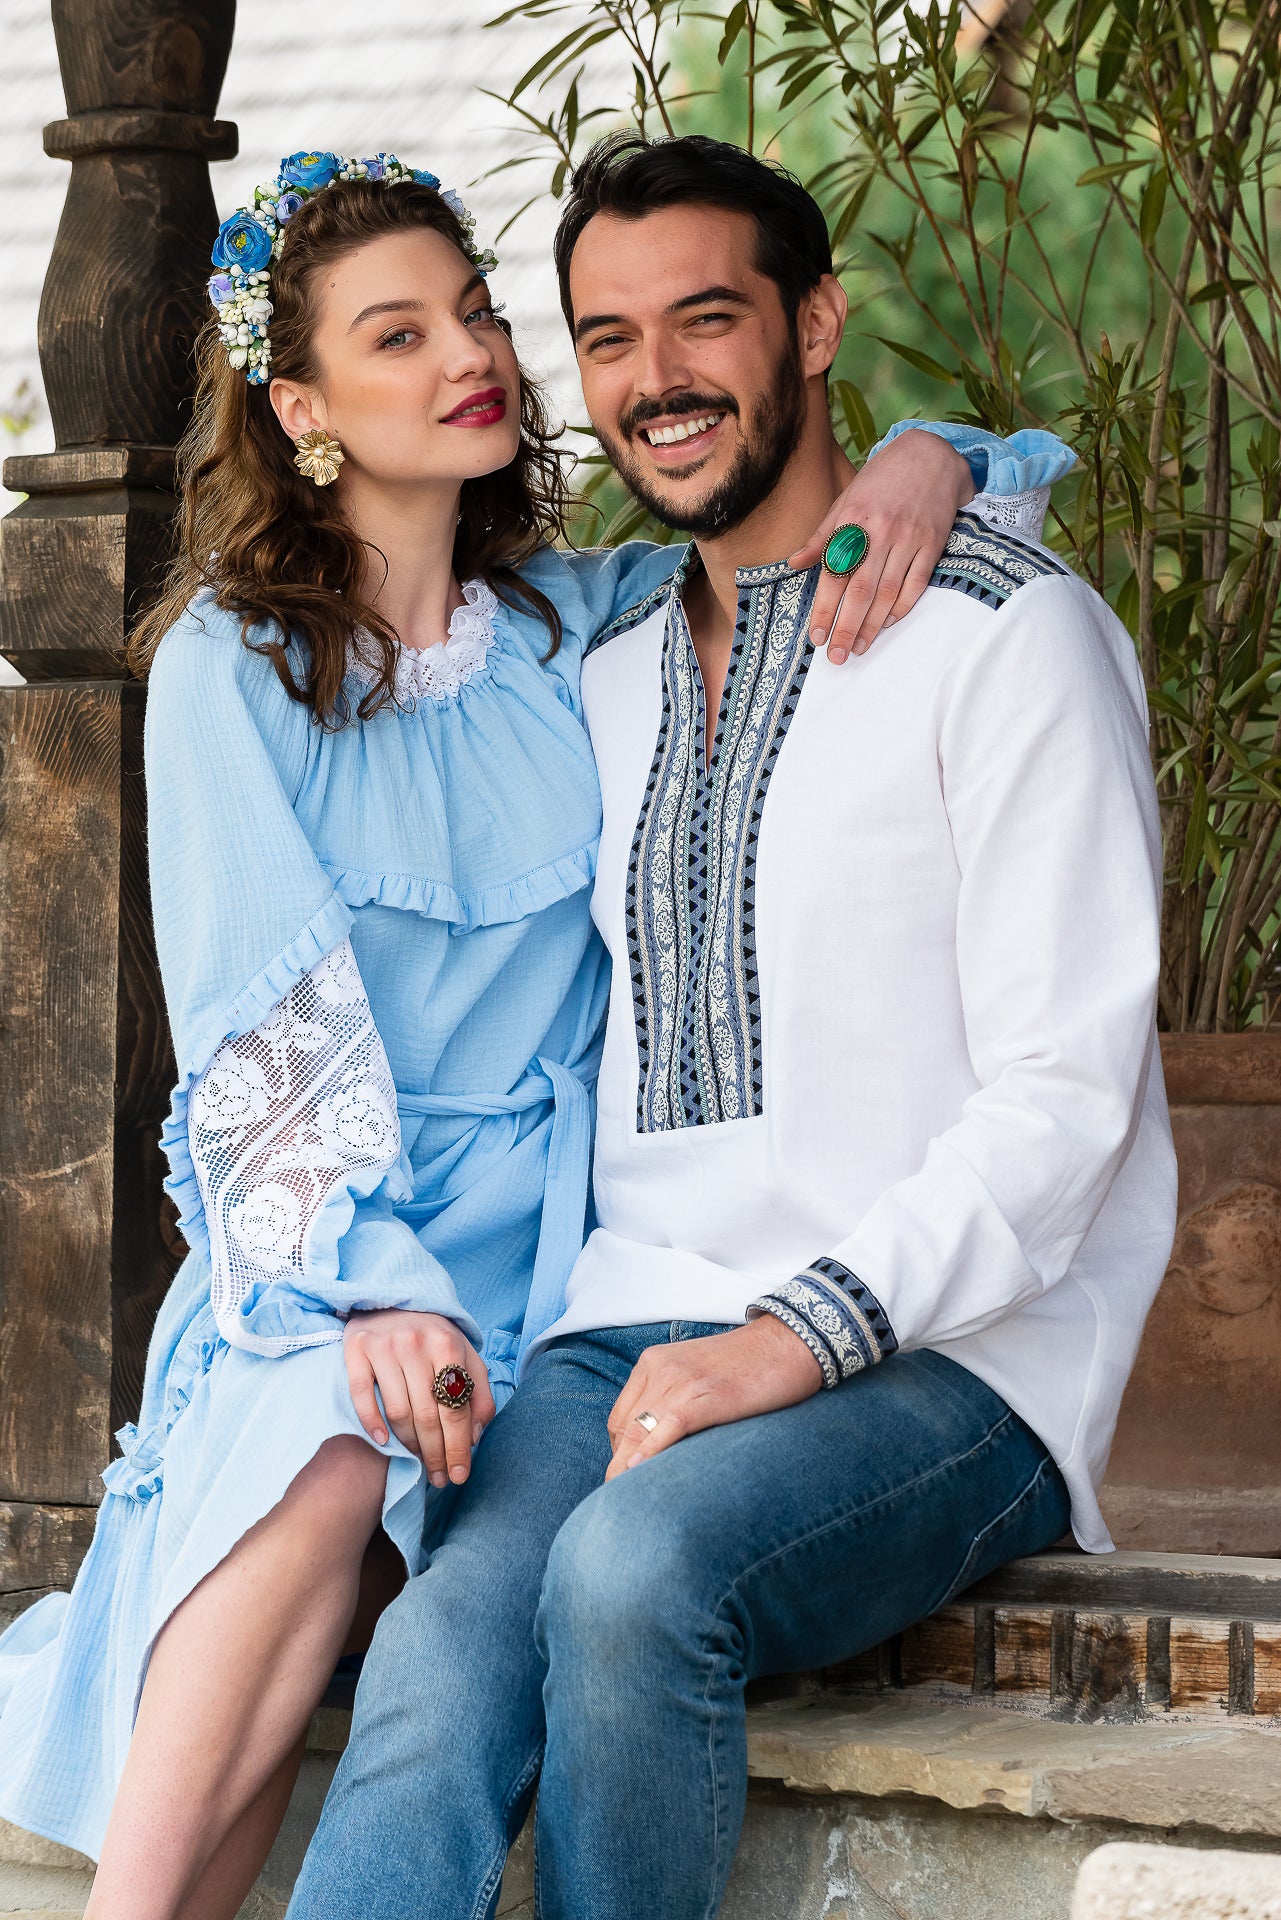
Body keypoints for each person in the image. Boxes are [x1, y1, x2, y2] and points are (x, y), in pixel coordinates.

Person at [0, 147, 1061, 1920]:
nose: (469, 356)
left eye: (475, 313)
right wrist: (373, 1287)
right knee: (329, 1445)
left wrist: (928, 454)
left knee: (437, 1563)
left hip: (567, 1263)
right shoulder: (231, 668)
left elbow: (787, 521)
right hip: (344, 1242)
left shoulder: (577, 627)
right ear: (302, 409)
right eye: (397, 335)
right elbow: (261, 1044)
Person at [285, 134, 1178, 1920]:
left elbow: (1066, 1096)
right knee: (443, 1643)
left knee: (632, 1577)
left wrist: (790, 1337)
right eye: (606, 340)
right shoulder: (593, 662)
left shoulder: (1011, 638)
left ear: (815, 325)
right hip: (628, 1327)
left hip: (957, 1357)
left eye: (705, 319)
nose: (656, 379)